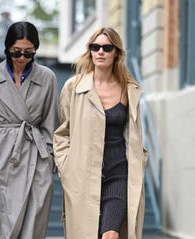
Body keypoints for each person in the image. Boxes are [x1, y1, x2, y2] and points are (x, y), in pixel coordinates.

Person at [53, 27, 148, 239]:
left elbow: (135, 133)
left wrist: (140, 159)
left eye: (107, 47)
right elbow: (62, 133)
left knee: (111, 235)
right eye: (95, 47)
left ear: (116, 52)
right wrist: (66, 167)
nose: (100, 52)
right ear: (90, 51)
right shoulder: (74, 87)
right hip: (83, 177)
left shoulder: (129, 90)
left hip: (119, 174)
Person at [0, 21, 60, 239]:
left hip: (33, 159)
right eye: (16, 52)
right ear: (7, 48)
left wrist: (48, 161)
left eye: (29, 53)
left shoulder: (47, 77)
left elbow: (52, 124)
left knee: (31, 228)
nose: (21, 58)